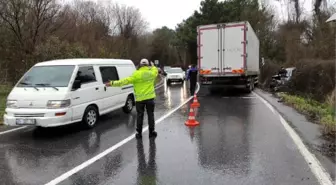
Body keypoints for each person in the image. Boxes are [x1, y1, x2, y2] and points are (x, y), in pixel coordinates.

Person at [105, 58, 158, 139]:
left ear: (140, 65)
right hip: (150, 99)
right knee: (151, 115)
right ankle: (151, 132)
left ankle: (139, 134)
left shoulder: (136, 74)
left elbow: (124, 81)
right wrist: (153, 66)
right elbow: (155, 71)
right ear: (148, 65)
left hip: (139, 100)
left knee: (140, 116)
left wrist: (112, 83)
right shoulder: (151, 73)